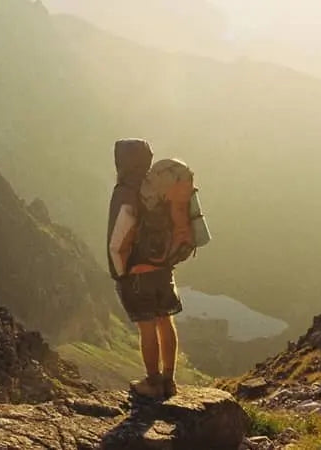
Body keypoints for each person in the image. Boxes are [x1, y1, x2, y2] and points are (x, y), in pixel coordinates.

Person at [106, 138, 183, 399]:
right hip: (163, 268)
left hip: (137, 273)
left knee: (147, 327)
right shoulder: (157, 187)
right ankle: (169, 381)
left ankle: (152, 382)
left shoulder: (126, 192)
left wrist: (120, 273)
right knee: (165, 320)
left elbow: (118, 240)